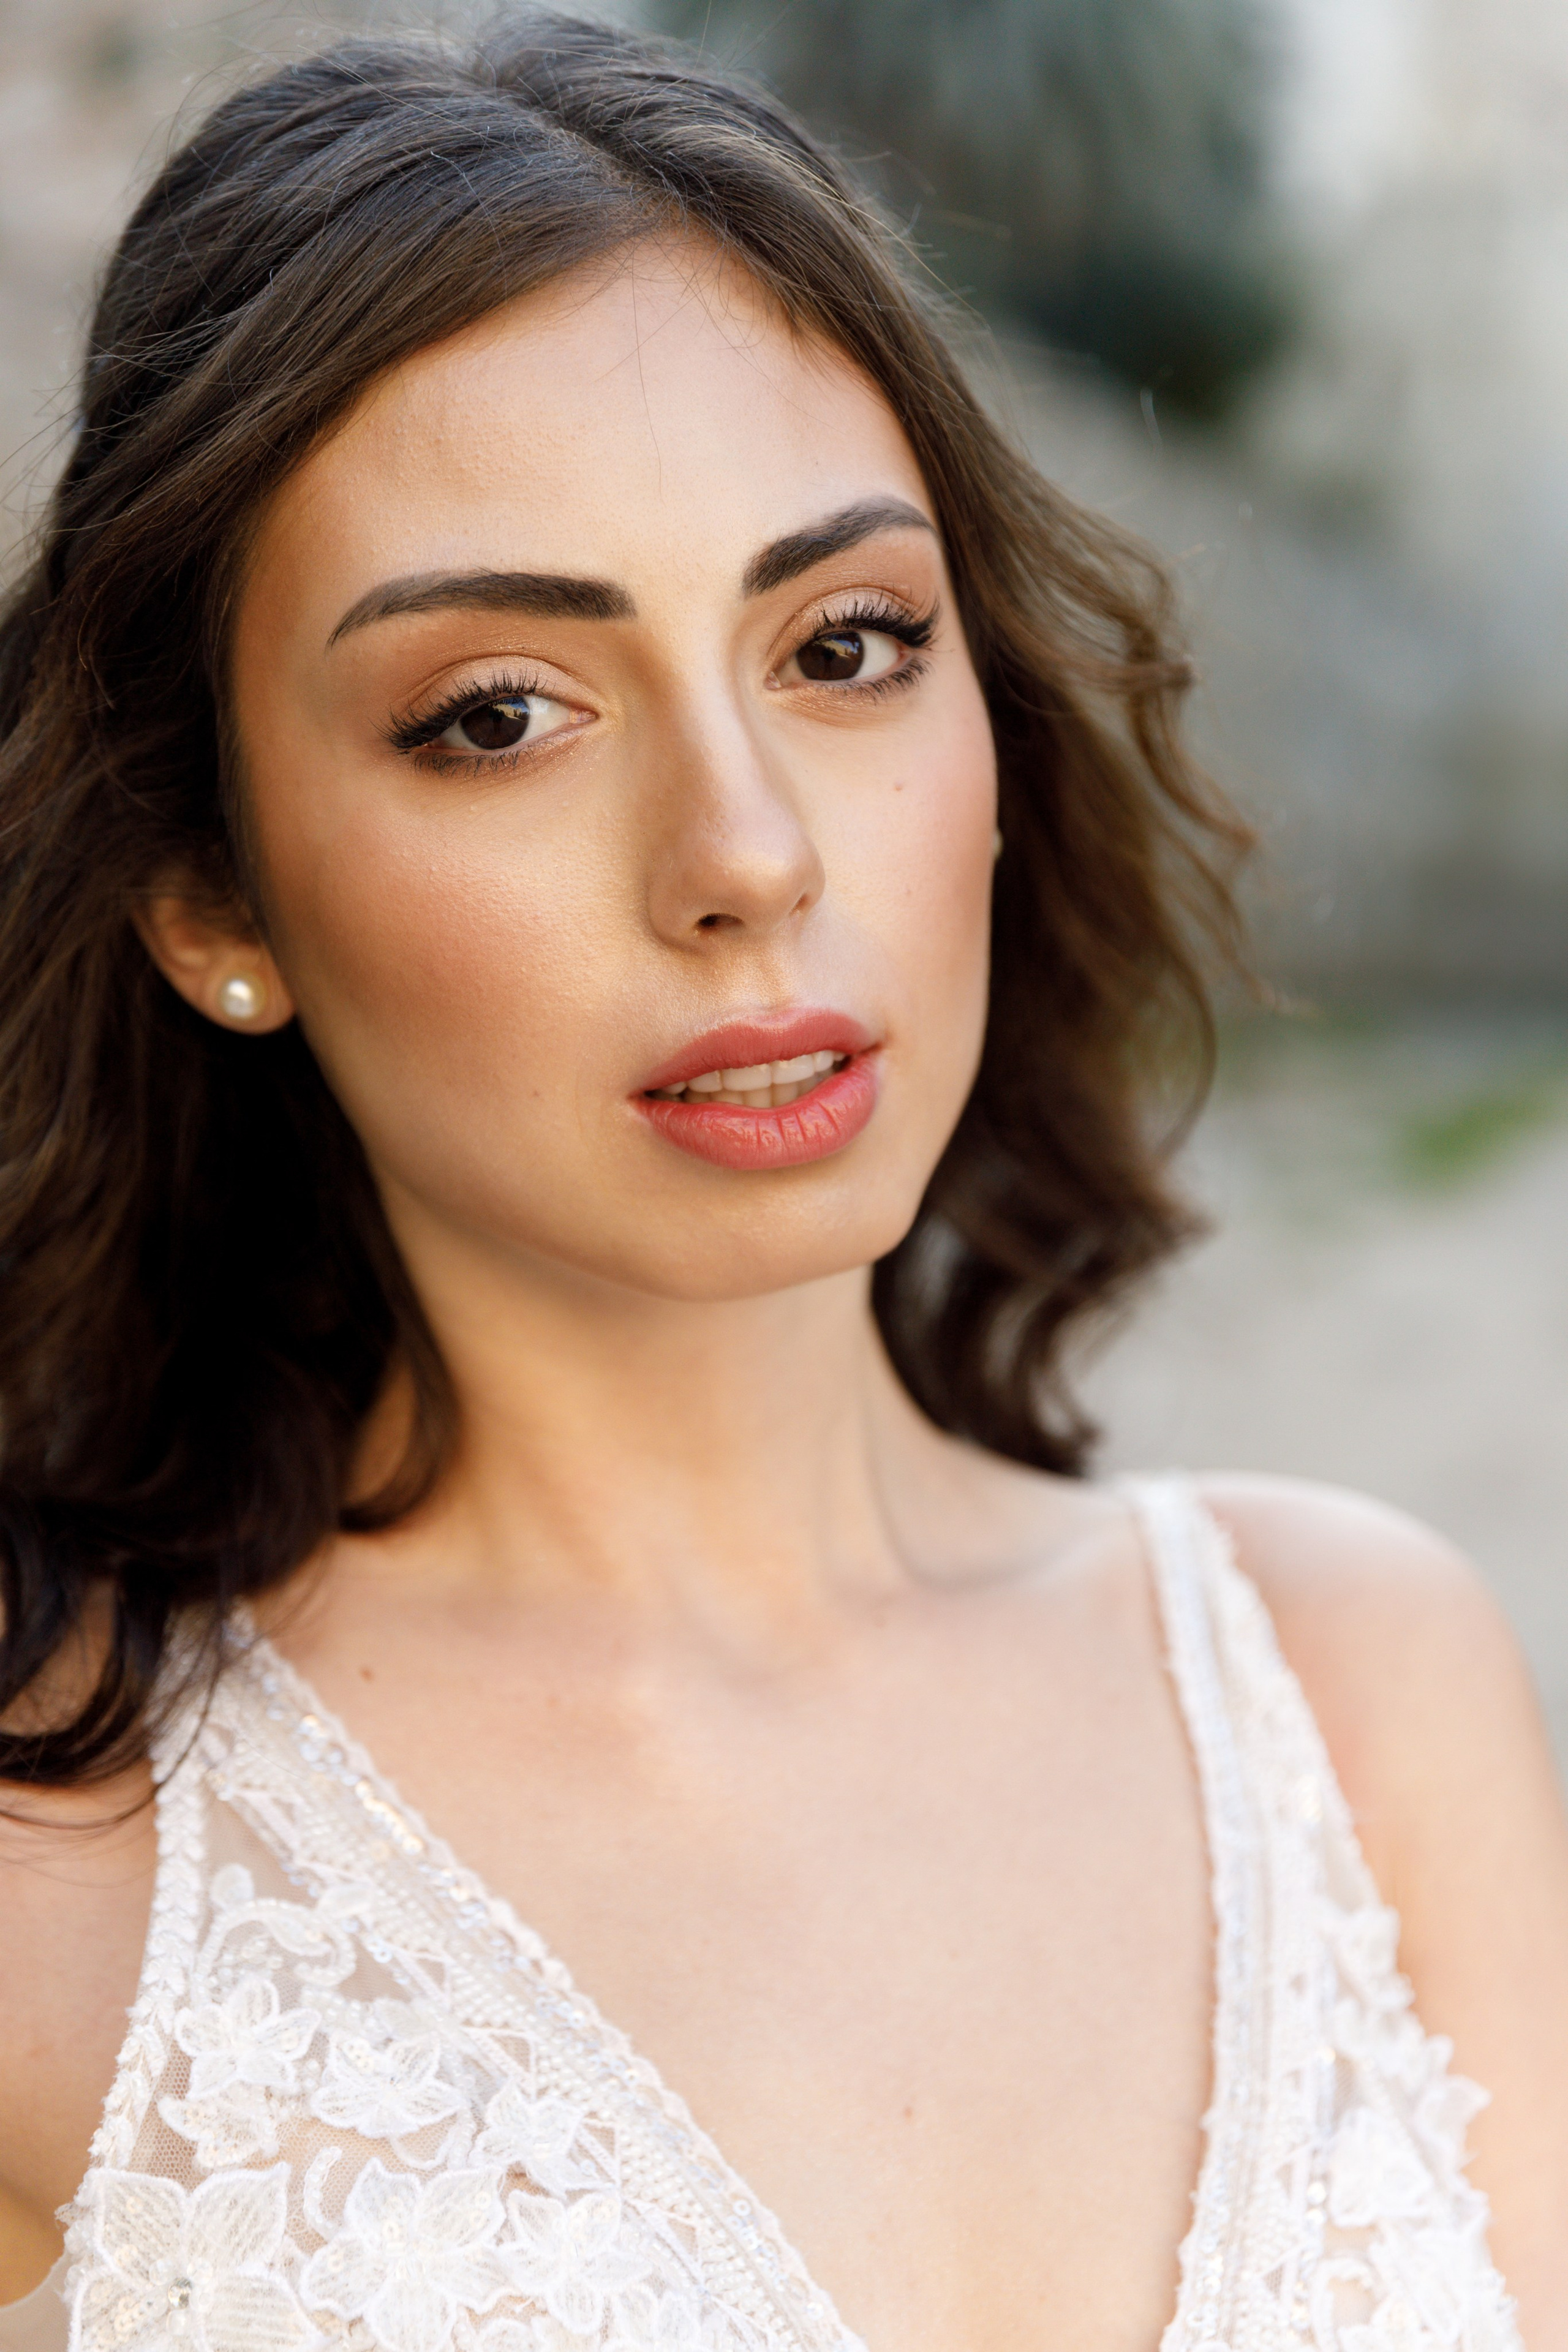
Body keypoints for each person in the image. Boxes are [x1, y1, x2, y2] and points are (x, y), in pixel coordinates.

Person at [0, 14, 1564, 2350]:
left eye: (845, 646)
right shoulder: (54, 1868)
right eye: (498, 713)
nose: (745, 854)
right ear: (213, 901)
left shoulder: (1362, 1686)